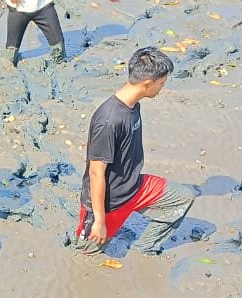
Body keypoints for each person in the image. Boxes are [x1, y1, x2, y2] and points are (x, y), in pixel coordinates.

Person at [73, 47, 195, 256]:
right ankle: (93, 230)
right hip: (110, 201)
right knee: (87, 256)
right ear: (147, 83)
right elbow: (95, 173)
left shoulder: (133, 104)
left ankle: (143, 250)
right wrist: (100, 221)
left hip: (135, 186)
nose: (162, 89)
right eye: (161, 83)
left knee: (183, 197)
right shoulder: (109, 120)